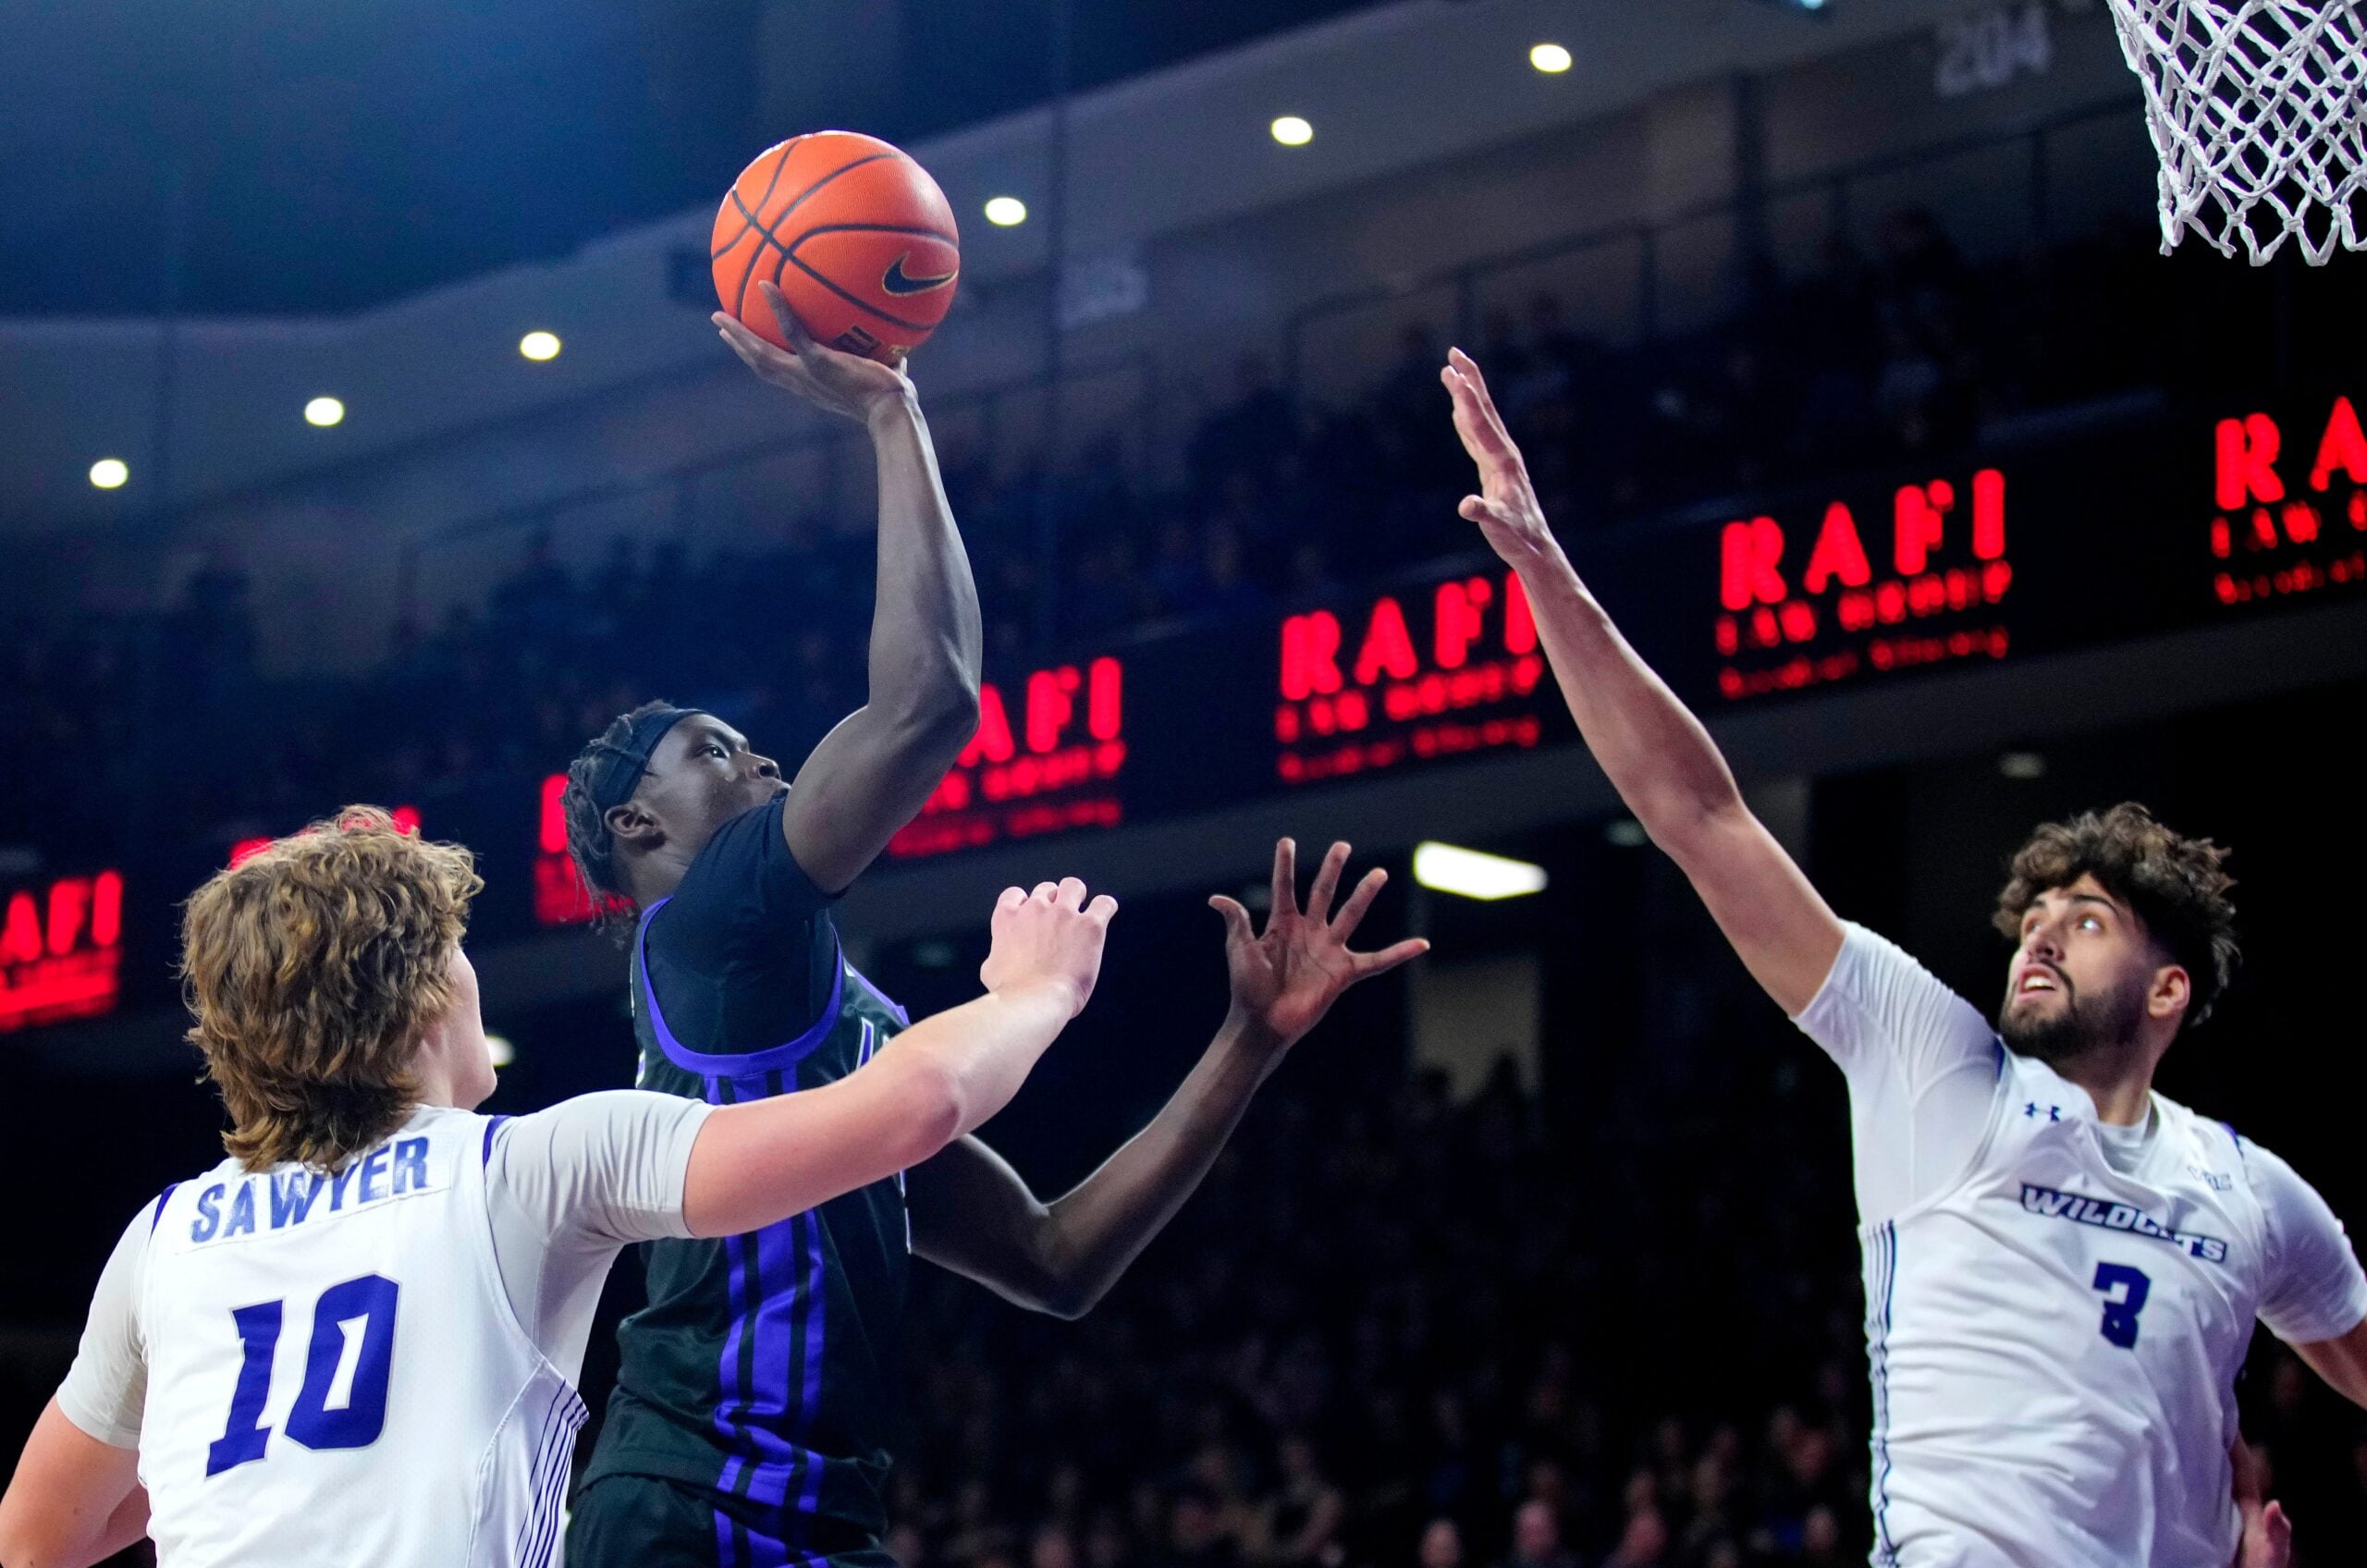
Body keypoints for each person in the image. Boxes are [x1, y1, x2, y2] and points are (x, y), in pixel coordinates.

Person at [1435, 347, 2367, 1567]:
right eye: (2035, 914)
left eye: (2085, 921)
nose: (2038, 931)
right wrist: (1548, 571)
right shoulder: (1939, 1061)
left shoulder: (2255, 1194)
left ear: (2168, 989)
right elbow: (1702, 818)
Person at [560, 292, 1427, 1566]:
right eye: (715, 753)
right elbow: (929, 701)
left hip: (813, 1518)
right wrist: (891, 412)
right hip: (692, 1505)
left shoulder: (828, 1029)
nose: (768, 763)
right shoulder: (706, 924)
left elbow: (1053, 1257)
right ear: (639, 830)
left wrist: (1249, 1038)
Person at [0, 809, 1114, 1567]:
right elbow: (908, 1107)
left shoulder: (167, 1237)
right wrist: (1036, 989)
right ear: (426, 992)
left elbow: (39, 1534)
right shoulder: (525, 1168)